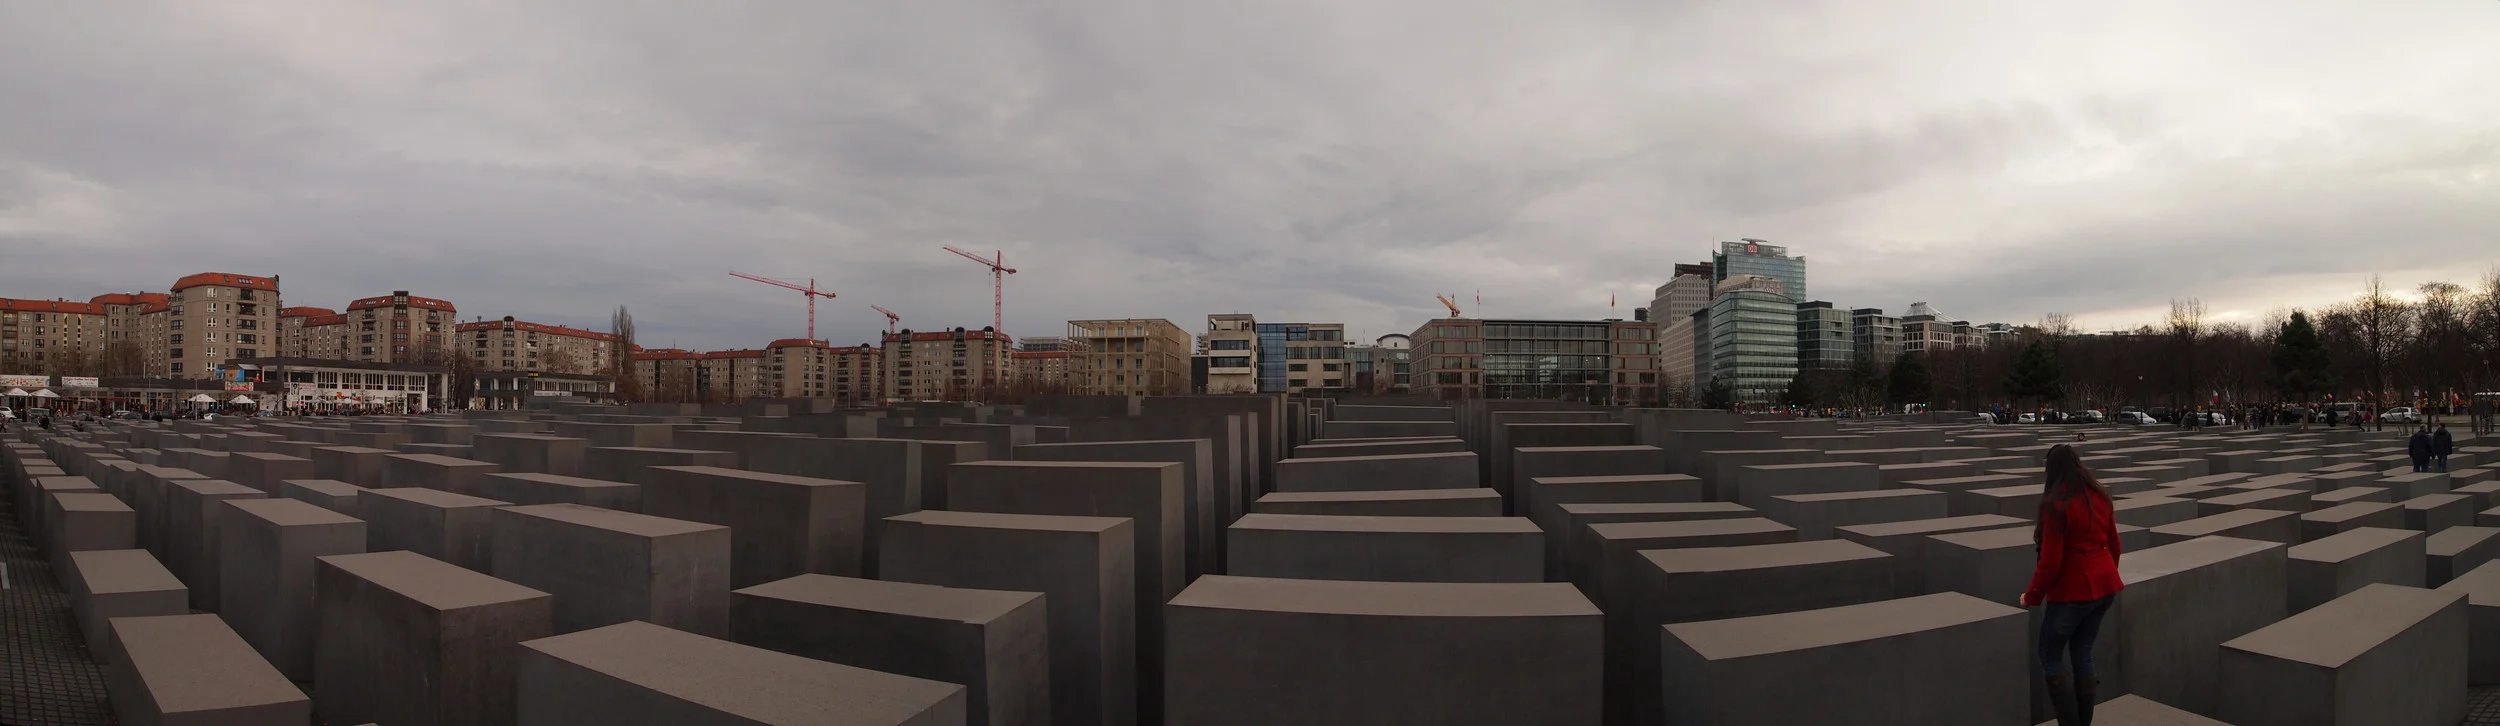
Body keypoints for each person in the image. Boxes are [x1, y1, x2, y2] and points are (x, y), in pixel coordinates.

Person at [2022, 444, 2124, 726]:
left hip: (2072, 592)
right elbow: (2115, 545)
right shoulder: (2100, 495)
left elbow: (2051, 562)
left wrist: (2031, 596)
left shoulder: (2056, 505)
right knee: (2082, 652)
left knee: (2049, 656)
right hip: (2104, 588)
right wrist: (2103, 576)